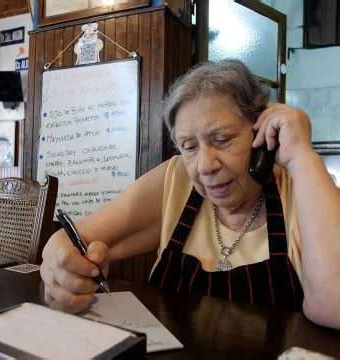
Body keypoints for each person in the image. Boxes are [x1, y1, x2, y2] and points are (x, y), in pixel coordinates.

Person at [40, 59, 340, 329]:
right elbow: (76, 240)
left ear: (259, 135)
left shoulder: (301, 192)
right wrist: (56, 258)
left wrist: (302, 155)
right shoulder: (176, 179)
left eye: (222, 140)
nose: (205, 166)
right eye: (189, 146)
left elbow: (334, 306)